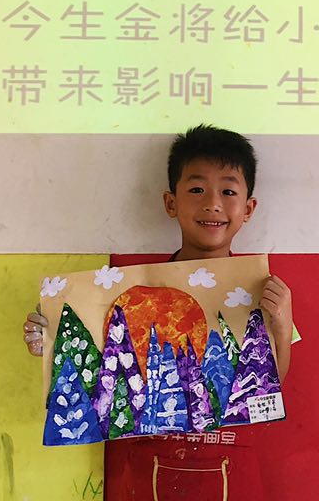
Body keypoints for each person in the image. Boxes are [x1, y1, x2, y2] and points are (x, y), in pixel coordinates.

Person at [22, 124, 294, 500]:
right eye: (196, 189)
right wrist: (48, 342)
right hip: (145, 468)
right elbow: (98, 372)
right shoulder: (127, 294)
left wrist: (281, 325)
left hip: (230, 462)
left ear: (248, 208)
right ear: (170, 203)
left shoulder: (260, 291)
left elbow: (269, 385)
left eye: (228, 191)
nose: (213, 203)